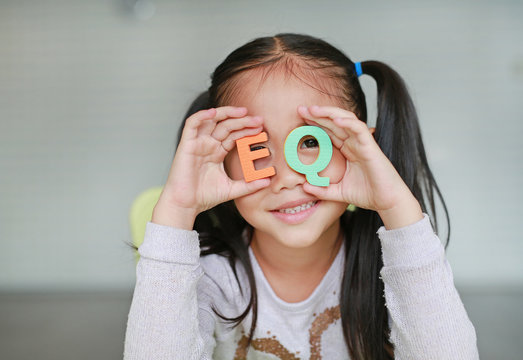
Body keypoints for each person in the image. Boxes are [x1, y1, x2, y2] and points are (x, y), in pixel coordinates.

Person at [124, 33, 479, 359]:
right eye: (257, 147)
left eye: (310, 142)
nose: (287, 178)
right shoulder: (214, 277)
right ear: (224, 161)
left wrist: (399, 211)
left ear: (363, 150)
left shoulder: (390, 263)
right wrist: (176, 210)